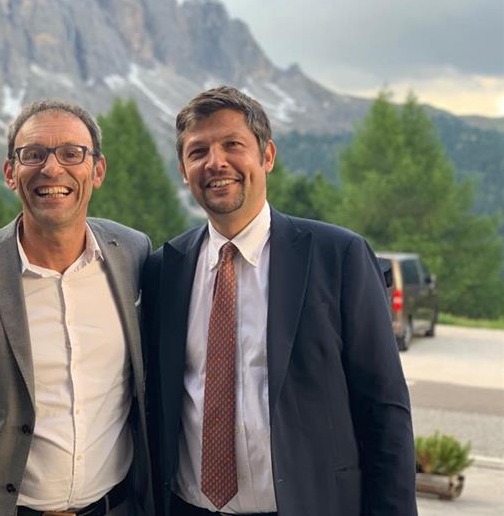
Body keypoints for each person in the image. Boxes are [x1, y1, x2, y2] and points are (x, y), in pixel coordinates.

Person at [143, 86, 417, 516]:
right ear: (184, 169)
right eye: (198, 152)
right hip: (187, 507)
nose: (216, 162)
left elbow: (384, 406)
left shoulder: (337, 256)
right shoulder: (165, 268)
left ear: (267, 156)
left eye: (233, 145)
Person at [0, 100, 154, 516]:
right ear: (10, 172)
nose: (52, 169)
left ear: (97, 171)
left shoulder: (133, 253)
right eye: (33, 154)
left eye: (72, 153)